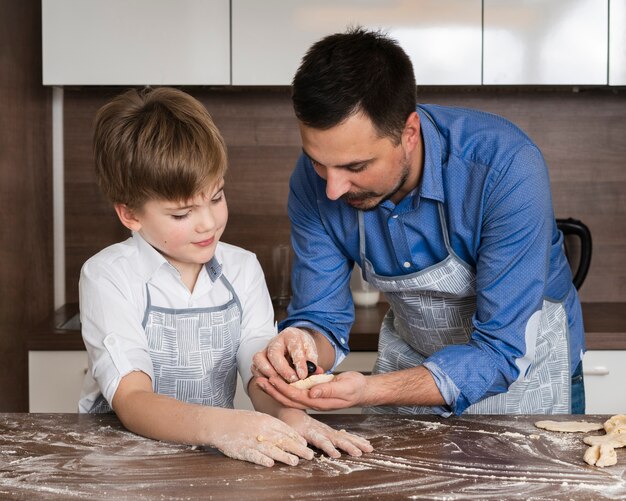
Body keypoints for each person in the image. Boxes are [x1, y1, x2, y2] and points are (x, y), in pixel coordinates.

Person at [252, 28, 586, 416]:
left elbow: (501, 350)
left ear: (408, 133)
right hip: (406, 374)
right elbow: (321, 317)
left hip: (525, 378)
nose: (332, 189)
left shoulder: (504, 167)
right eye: (317, 162)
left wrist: (368, 391)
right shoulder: (315, 182)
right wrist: (300, 344)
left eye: (355, 166)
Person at [78, 87, 372, 467]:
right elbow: (133, 400)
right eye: (182, 214)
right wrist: (222, 425)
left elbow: (259, 374)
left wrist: (291, 418)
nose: (208, 223)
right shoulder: (108, 276)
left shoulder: (241, 267)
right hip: (125, 461)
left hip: (214, 456)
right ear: (130, 215)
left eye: (216, 197)